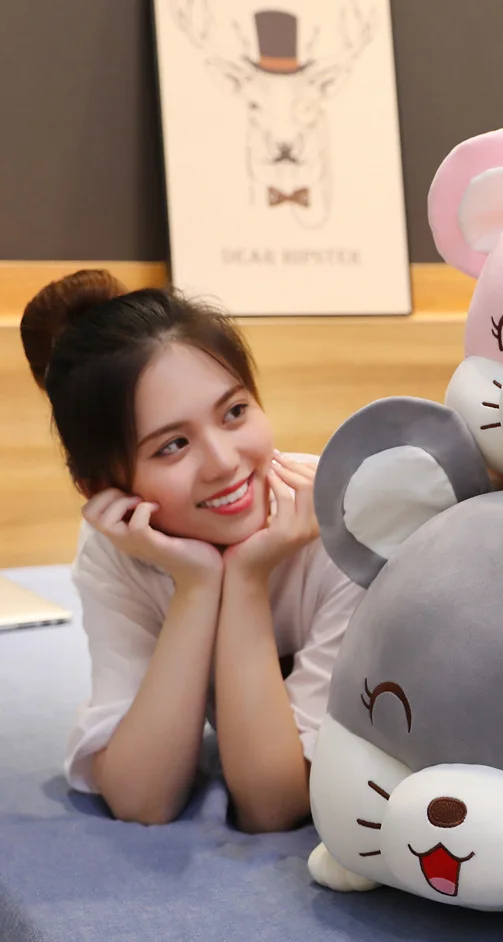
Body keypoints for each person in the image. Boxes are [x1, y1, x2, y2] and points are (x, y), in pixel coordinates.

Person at [20, 269, 364, 832]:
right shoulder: (121, 548)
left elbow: (274, 804)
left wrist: (247, 578)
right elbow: (141, 800)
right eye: (173, 445)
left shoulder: (347, 522)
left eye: (234, 412)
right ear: (99, 488)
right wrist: (197, 585)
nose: (225, 462)